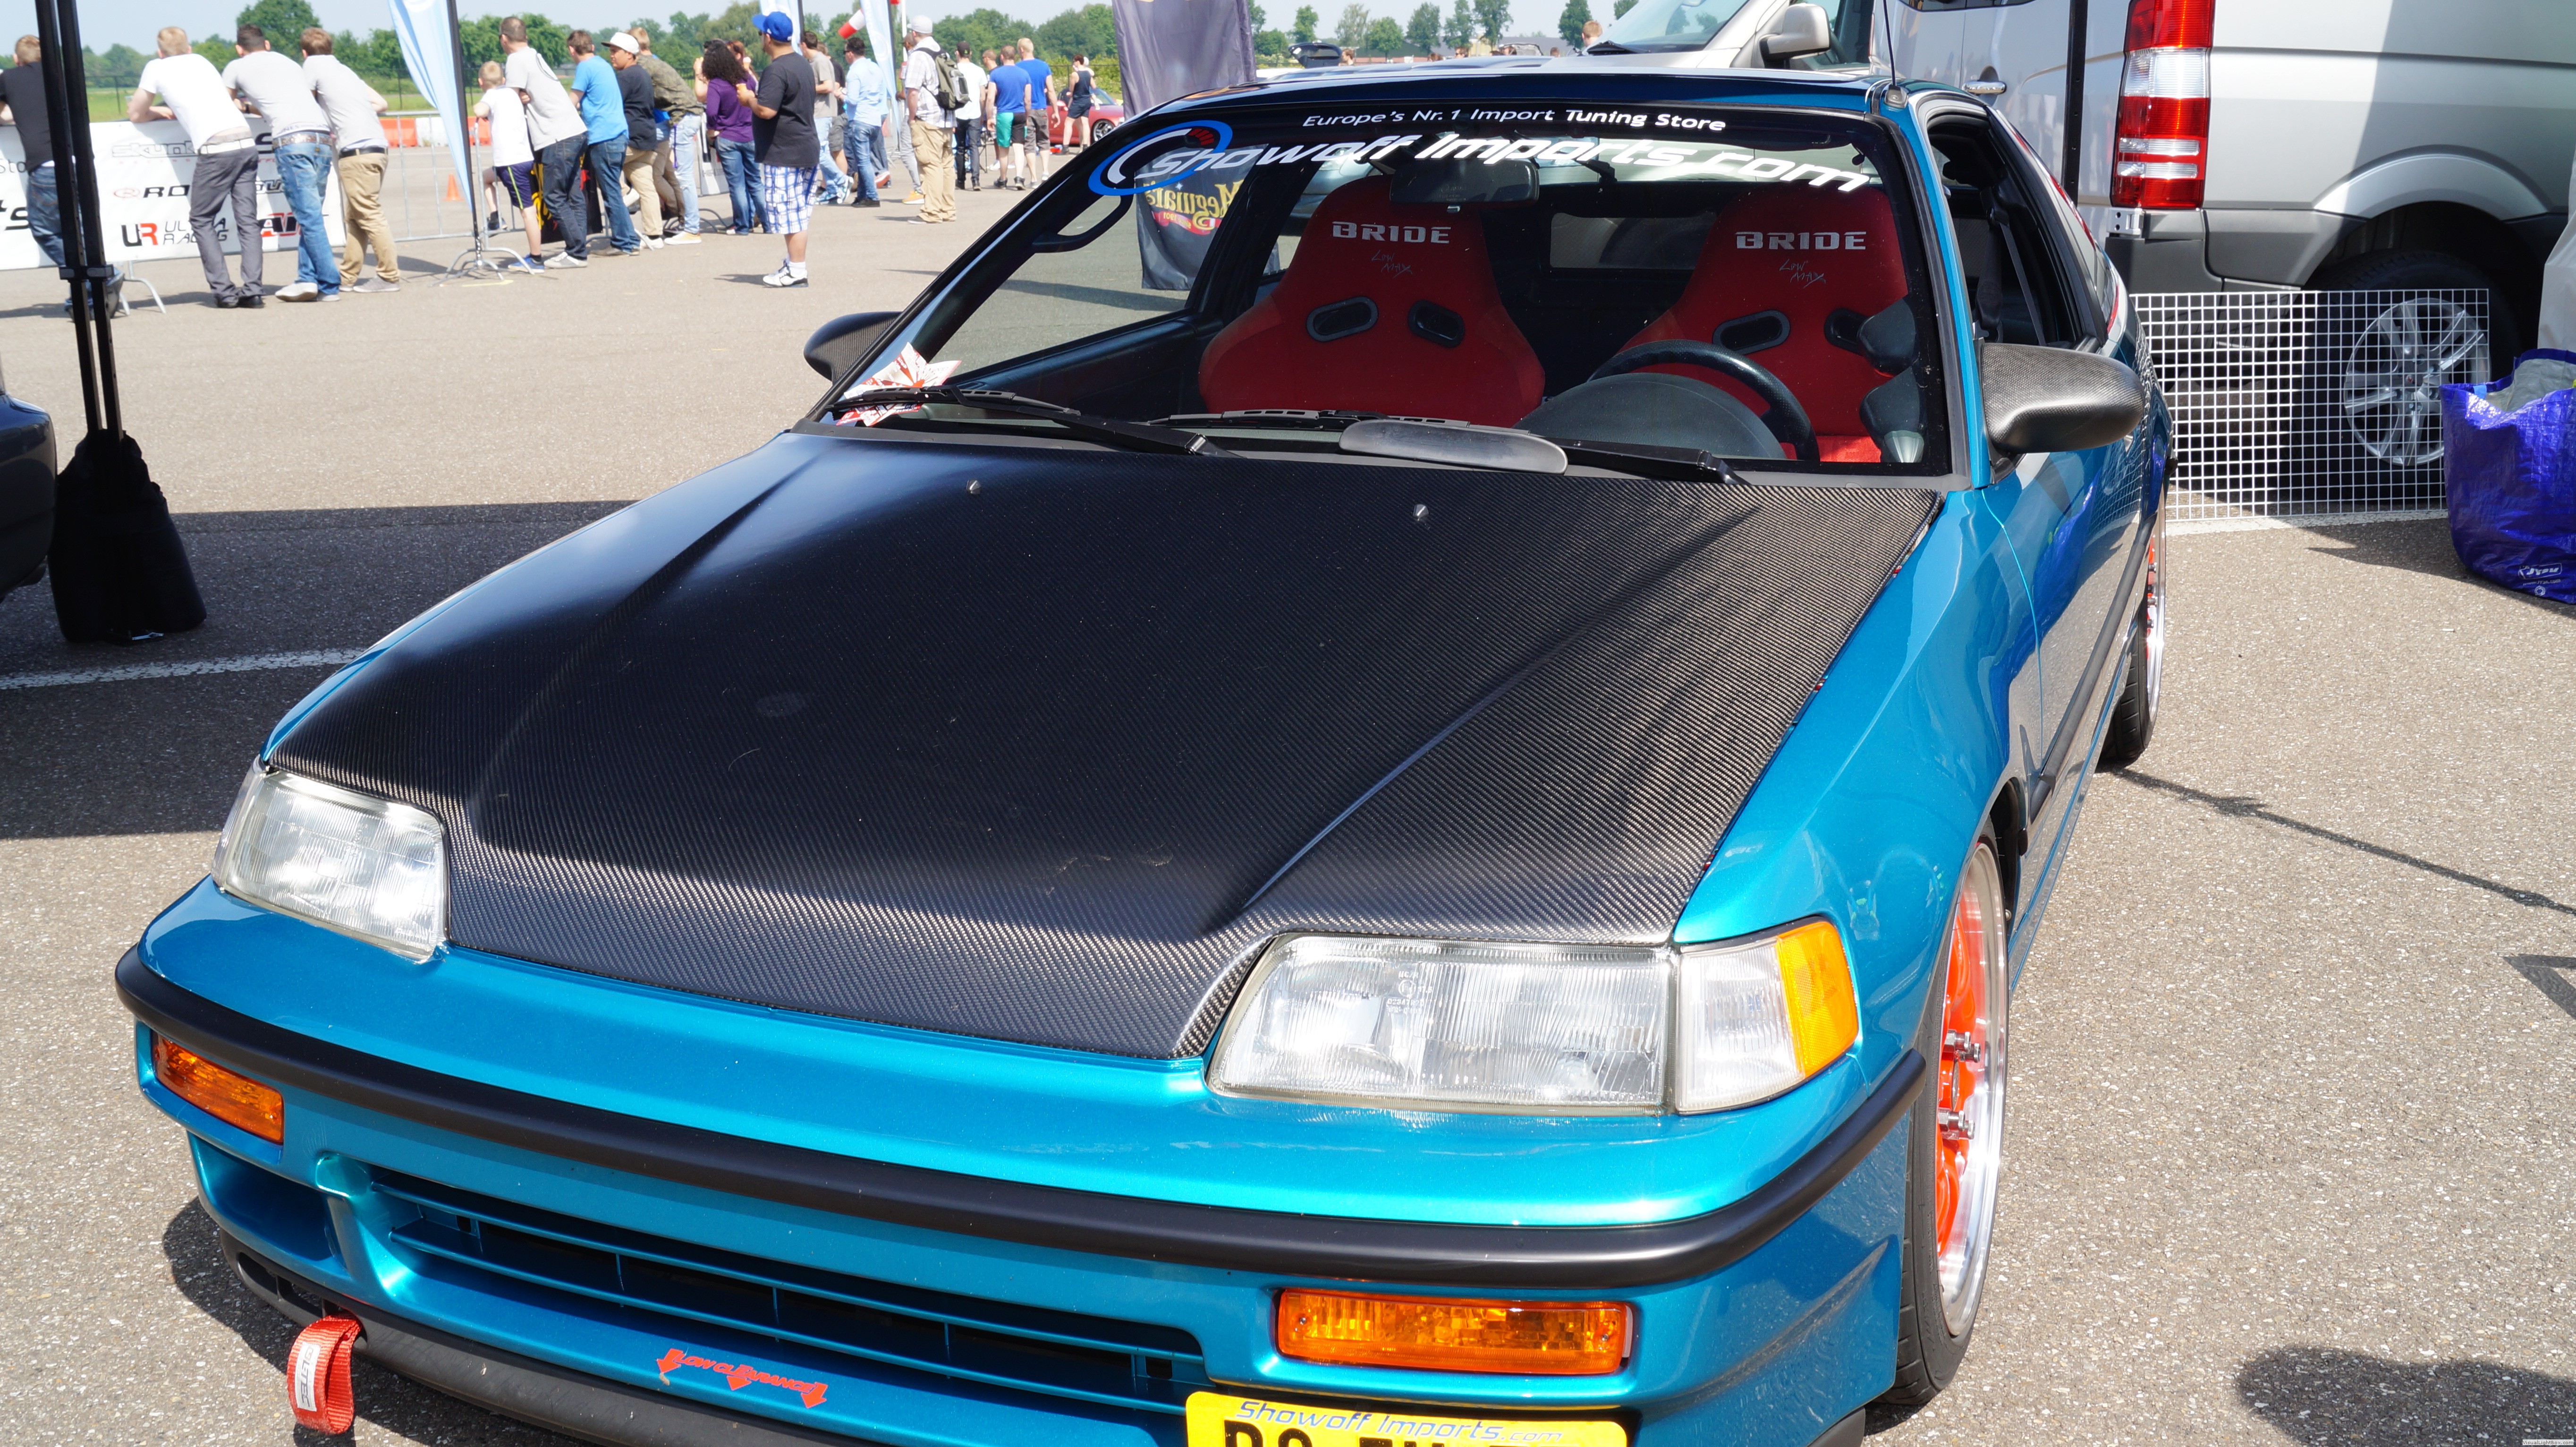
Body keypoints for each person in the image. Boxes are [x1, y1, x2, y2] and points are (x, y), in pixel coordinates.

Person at [132, 28, 262, 306]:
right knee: (247, 219)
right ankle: (253, 290)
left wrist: (157, 111)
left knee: (202, 219)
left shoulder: (156, 67)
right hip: (245, 140)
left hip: (216, 149)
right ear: (189, 48)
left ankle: (224, 293)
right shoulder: (202, 61)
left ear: (160, 52)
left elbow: (136, 113)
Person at [223, 24, 338, 302]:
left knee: (309, 218)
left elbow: (223, 103)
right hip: (321, 137)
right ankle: (307, 279)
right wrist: (251, 106)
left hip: (291, 140)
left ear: (239, 49)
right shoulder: (289, 63)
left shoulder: (236, 67)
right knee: (311, 216)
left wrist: (242, 105)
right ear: (267, 44)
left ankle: (329, 285)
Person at [298, 29, 398, 294]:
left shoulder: (312, 67)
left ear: (305, 53)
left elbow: (303, 102)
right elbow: (381, 103)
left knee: (370, 214)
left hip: (355, 152)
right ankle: (347, 276)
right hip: (377, 147)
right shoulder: (345, 71)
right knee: (356, 217)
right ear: (331, 48)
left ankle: (389, 276)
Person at [501, 17, 591, 268]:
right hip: (575, 130)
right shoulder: (534, 55)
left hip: (556, 136)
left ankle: (577, 252)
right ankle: (578, 249)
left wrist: (513, 97)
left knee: (553, 197)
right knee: (573, 195)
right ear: (526, 37)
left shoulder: (515, 60)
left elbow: (510, 101)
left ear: (504, 39)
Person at [742, 9, 819, 284]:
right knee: (798, 213)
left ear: (768, 37)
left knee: (790, 215)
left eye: (761, 33)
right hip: (805, 146)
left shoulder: (776, 69)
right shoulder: (801, 63)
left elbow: (766, 110)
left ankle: (797, 270)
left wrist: (748, 99)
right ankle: (794, 264)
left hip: (785, 151)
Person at [567, 31, 640, 255]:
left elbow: (572, 101)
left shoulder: (585, 68)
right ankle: (630, 239)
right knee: (614, 191)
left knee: (611, 193)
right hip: (618, 133)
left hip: (603, 136)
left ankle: (623, 243)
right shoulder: (602, 65)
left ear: (572, 50)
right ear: (592, 47)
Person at [0, 36, 63, 278]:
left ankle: (103, 277)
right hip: (80, 162)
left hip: (46, 164)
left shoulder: (10, 77)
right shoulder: (62, 75)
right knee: (77, 230)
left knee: (45, 231)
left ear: (17, 59)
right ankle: (90, 290)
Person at [475, 60, 545, 272]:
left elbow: (480, 109)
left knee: (527, 211)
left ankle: (536, 258)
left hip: (511, 161)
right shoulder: (511, 93)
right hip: (519, 157)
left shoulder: (492, 95)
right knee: (486, 177)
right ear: (503, 80)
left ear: (481, 83)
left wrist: (481, 108)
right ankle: (496, 217)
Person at [634, 28, 701, 242]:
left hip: (681, 118)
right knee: (672, 174)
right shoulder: (653, 61)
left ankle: (691, 228)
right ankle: (685, 222)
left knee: (683, 176)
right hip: (678, 118)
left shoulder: (643, 65)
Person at [605, 33, 664, 249]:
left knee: (600, 164)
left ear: (629, 54)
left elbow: (612, 104)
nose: (612, 56)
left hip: (631, 138)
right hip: (647, 137)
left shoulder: (626, 76)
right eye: (611, 51)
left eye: (615, 51)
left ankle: (625, 193)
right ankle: (655, 236)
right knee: (647, 188)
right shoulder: (642, 73)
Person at [696, 40, 758, 233]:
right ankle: (767, 221)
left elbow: (711, 110)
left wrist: (713, 129)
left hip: (728, 135)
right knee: (756, 182)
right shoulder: (746, 77)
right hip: (750, 133)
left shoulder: (717, 83)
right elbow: (756, 94)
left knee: (737, 185)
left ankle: (743, 226)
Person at [901, 15, 955, 223]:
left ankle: (932, 212)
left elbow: (913, 92)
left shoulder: (918, 55)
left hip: (927, 118)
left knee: (929, 165)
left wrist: (912, 118)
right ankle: (947, 210)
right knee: (946, 166)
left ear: (914, 33)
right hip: (947, 117)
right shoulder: (943, 52)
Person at [838, 33, 886, 208]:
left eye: (845, 53)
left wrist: (840, 94)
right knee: (863, 159)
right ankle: (862, 195)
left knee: (863, 160)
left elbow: (853, 100)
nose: (846, 57)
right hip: (874, 118)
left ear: (851, 53)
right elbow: (880, 95)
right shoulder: (875, 68)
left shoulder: (854, 72)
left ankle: (872, 196)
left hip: (860, 119)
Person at [803, 30, 848, 205]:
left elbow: (829, 86)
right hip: (818, 112)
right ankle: (832, 189)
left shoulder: (820, 61)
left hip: (822, 113)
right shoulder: (815, 61)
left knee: (818, 152)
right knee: (822, 151)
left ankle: (842, 180)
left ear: (803, 45)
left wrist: (806, 87)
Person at [1009, 39, 1054, 181]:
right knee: (1044, 140)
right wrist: (1056, 110)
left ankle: (1033, 178)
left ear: (1021, 50)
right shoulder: (1044, 66)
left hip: (1025, 110)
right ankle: (1045, 172)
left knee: (1029, 144)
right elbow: (1051, 90)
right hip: (1041, 108)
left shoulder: (1017, 68)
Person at [986, 32, 1026, 190]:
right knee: (1019, 147)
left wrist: (990, 117)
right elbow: (1028, 99)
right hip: (1020, 112)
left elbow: (991, 98)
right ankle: (1019, 178)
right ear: (1014, 56)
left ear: (1002, 57)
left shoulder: (996, 74)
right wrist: (1028, 115)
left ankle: (1003, 179)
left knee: (1004, 148)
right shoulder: (1024, 74)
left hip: (1004, 113)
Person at [950, 42, 983, 193]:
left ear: (957, 53)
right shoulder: (979, 70)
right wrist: (982, 112)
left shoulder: (953, 70)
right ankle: (976, 180)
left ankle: (961, 180)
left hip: (958, 113)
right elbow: (983, 96)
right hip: (975, 112)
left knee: (960, 147)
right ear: (970, 53)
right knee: (974, 146)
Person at [1064, 52, 1094, 151]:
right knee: (1085, 122)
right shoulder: (1088, 74)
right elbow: (1094, 86)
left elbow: (1071, 89)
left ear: (1078, 62)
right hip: (1087, 100)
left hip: (1078, 101)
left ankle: (1065, 147)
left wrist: (1072, 92)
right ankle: (1086, 146)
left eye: (1074, 62)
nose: (1073, 63)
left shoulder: (1075, 74)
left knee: (1068, 122)